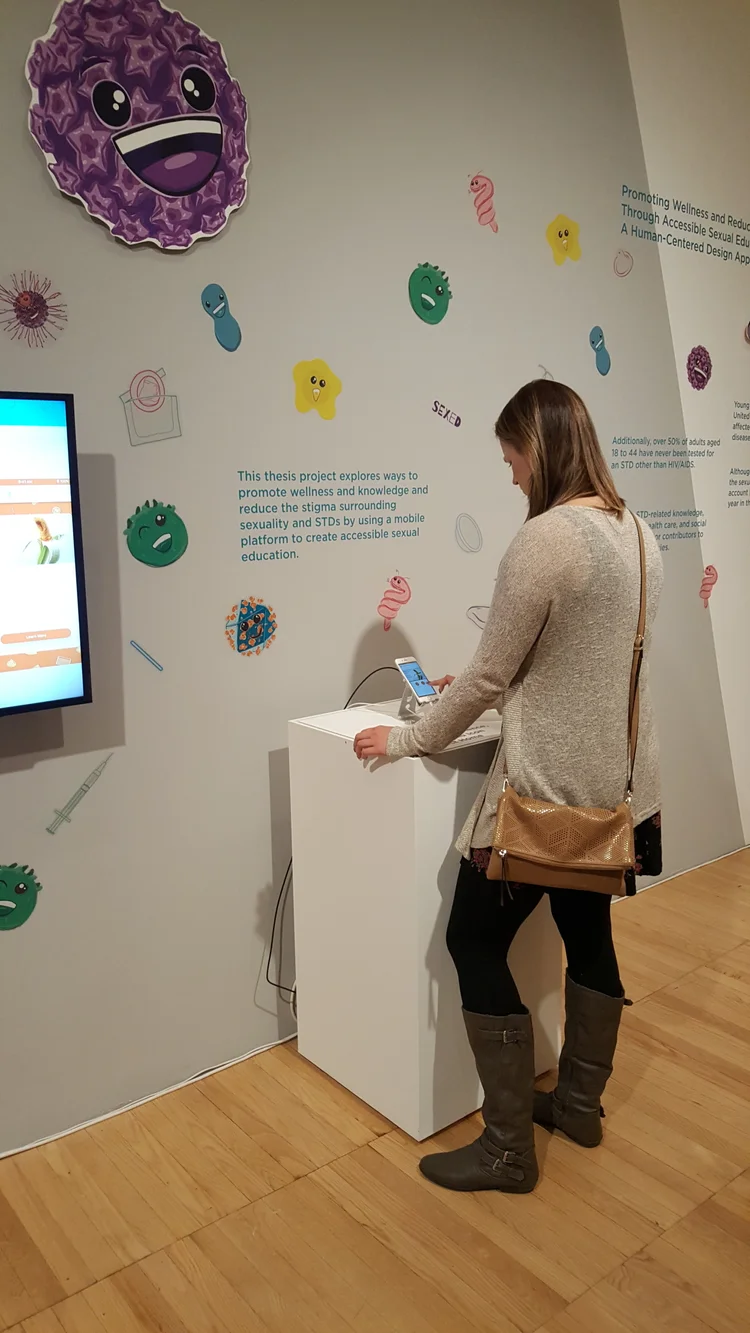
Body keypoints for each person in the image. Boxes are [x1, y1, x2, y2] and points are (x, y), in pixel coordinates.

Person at [353, 379, 663, 1195]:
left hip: (541, 789)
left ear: (540, 446)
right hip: (613, 787)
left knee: (470, 938)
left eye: (513, 457)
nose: (511, 475)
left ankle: (505, 1149)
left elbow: (490, 674)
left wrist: (411, 736)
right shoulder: (639, 535)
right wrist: (509, 674)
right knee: (586, 927)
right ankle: (583, 1105)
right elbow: (579, 657)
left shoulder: (546, 539)